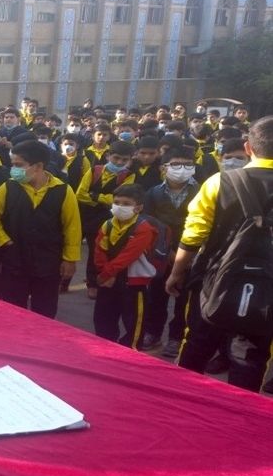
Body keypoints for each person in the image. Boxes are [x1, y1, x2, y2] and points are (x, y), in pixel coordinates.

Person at [166, 115, 273, 393]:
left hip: (212, 283)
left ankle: (179, 405)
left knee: (197, 345)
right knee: (250, 357)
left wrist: (177, 273)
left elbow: (193, 234)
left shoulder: (219, 182)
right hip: (267, 292)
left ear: (248, 147)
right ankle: (239, 423)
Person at [0, 140, 81, 319]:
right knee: (12, 309)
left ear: (38, 166)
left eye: (19, 165)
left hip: (48, 261)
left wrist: (70, 259)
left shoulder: (63, 190)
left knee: (45, 310)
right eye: (13, 165)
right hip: (15, 258)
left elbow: (72, 227)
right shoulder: (9, 187)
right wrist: (4, 240)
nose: (14, 170)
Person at [142, 146, 199, 356]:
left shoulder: (202, 192)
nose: (182, 169)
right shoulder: (153, 193)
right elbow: (148, 225)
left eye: (187, 165)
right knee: (156, 296)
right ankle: (152, 332)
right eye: (176, 164)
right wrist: (169, 254)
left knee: (184, 301)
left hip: (192, 256)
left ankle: (176, 337)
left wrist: (187, 256)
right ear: (164, 168)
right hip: (161, 256)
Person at [92, 184, 157, 350]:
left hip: (133, 283)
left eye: (126, 204)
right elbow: (100, 249)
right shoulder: (107, 224)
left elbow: (128, 255)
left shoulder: (144, 228)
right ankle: (105, 350)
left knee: (134, 324)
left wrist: (106, 273)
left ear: (138, 207)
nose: (120, 207)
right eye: (117, 202)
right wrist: (104, 271)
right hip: (109, 281)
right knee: (103, 318)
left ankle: (130, 355)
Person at [77, 141, 136, 298]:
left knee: (103, 250)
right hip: (87, 217)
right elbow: (80, 194)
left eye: (124, 160)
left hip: (110, 218)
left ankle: (99, 279)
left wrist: (95, 196)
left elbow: (121, 197)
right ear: (108, 155)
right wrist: (106, 199)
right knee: (91, 250)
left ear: (130, 160)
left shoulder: (129, 176)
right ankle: (90, 282)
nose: (119, 162)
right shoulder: (94, 170)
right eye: (116, 158)